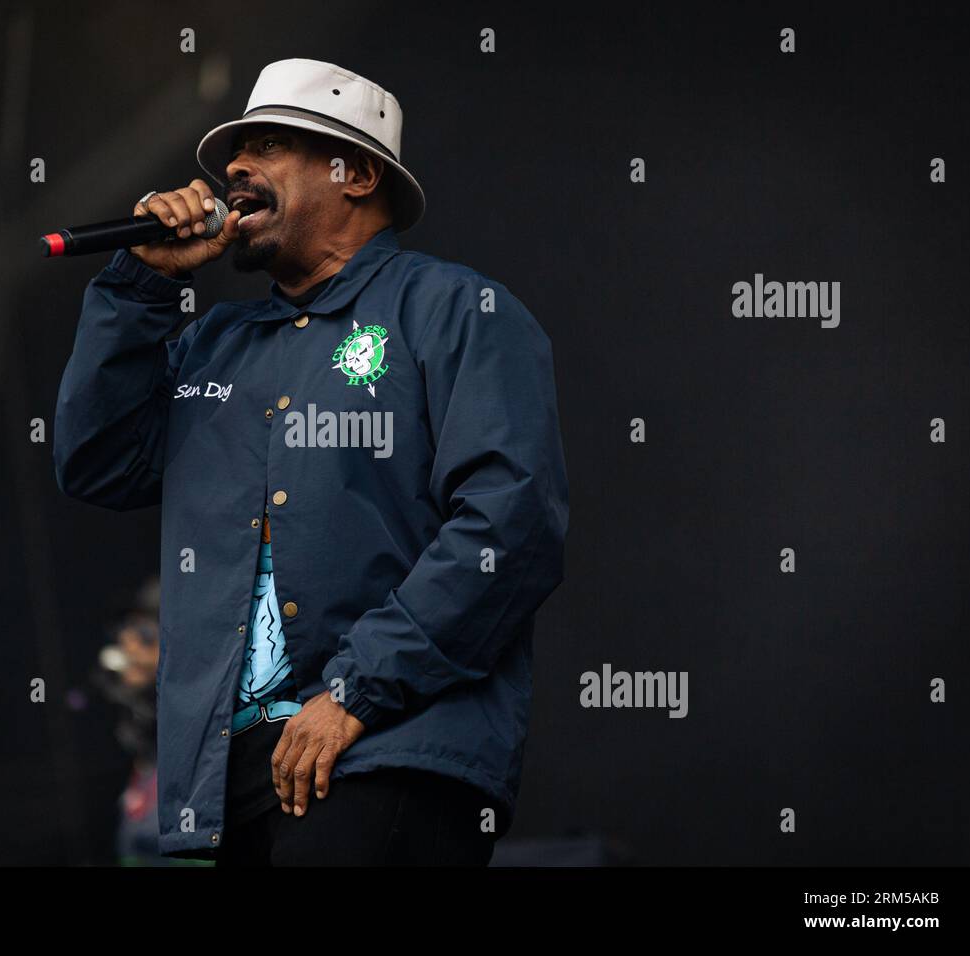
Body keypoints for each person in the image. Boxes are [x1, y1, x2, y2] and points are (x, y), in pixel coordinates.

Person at [53, 58, 569, 865]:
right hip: (228, 773)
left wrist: (359, 690)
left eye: (270, 145)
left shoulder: (453, 311)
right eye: (234, 151)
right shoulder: (216, 343)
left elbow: (512, 524)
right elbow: (96, 464)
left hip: (384, 745)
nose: (232, 169)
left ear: (356, 171)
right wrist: (138, 289)